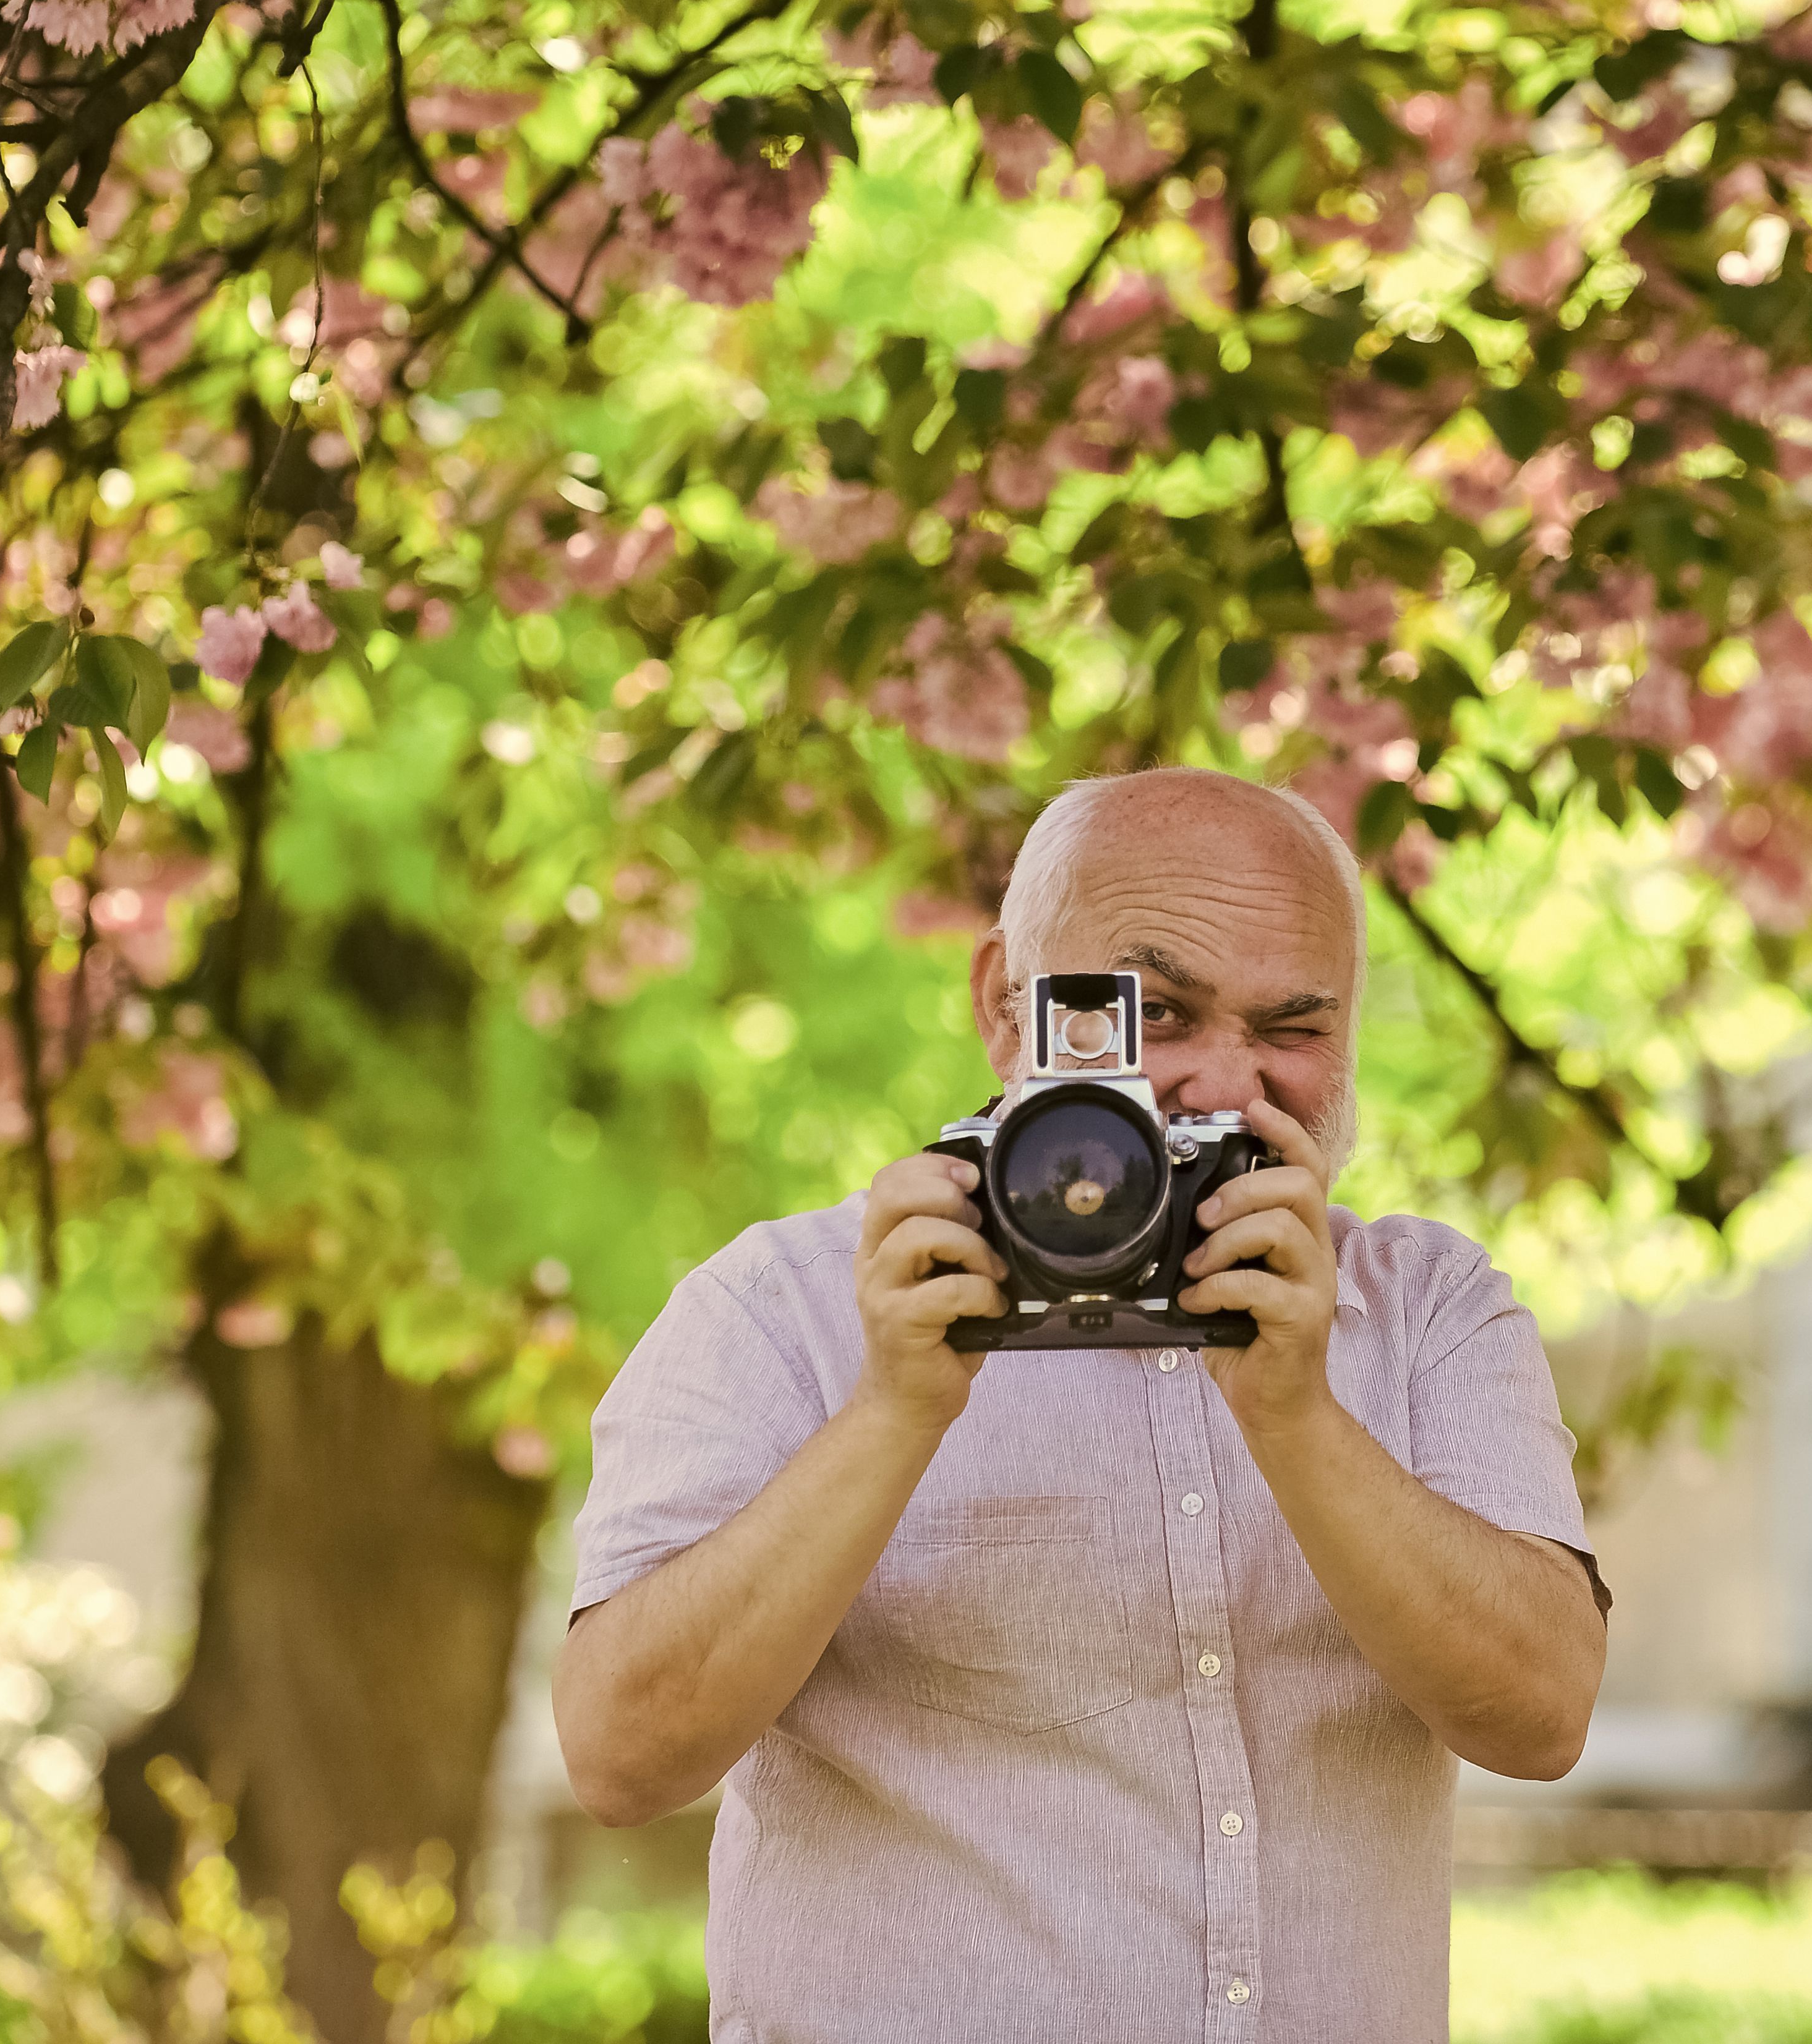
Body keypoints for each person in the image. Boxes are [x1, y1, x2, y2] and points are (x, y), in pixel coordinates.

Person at [553, 766, 1609, 2042]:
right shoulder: (781, 1307)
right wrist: (893, 1411)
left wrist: (1300, 1418)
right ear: (1006, 1003)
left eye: (1292, 1025)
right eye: (1158, 1010)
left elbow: (1543, 1713)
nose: (1226, 1080)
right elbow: (620, 1755)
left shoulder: (1428, 1304)